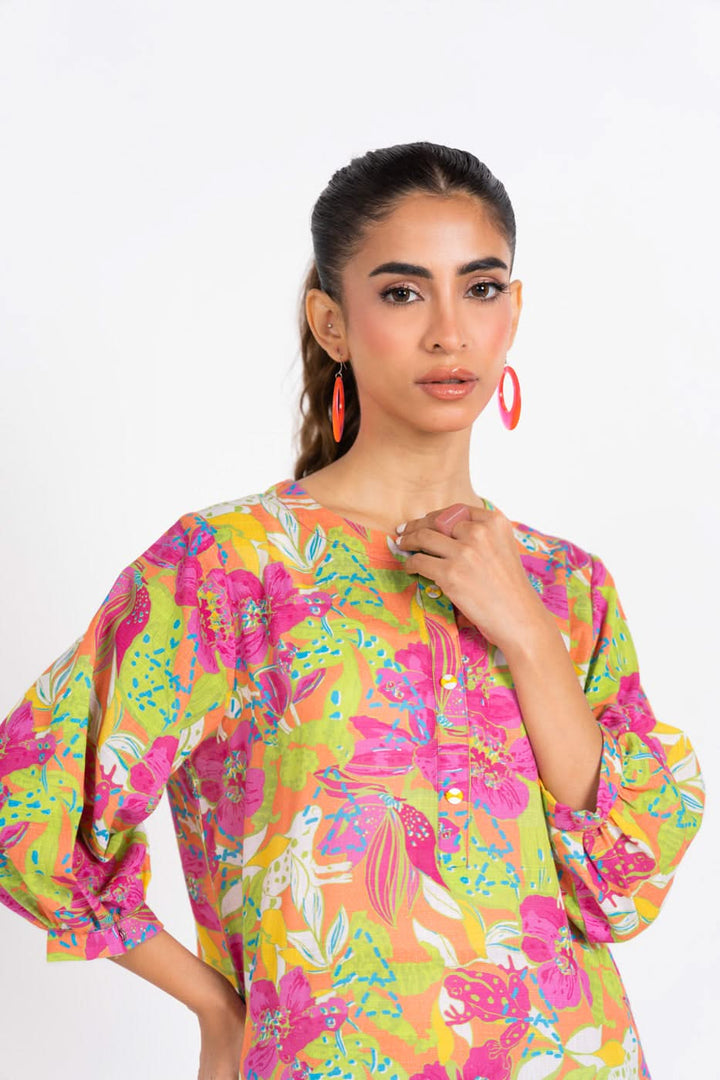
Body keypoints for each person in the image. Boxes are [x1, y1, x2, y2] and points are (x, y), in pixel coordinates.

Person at [0, 141, 705, 1080]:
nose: (450, 333)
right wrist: (216, 1007)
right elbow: (29, 807)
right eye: (404, 293)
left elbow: (624, 887)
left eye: (481, 289)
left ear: (514, 313)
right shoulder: (231, 568)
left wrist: (531, 639)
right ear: (331, 323)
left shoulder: (566, 585)